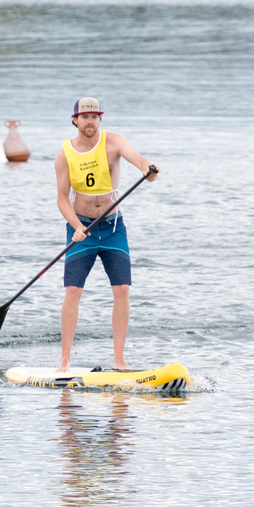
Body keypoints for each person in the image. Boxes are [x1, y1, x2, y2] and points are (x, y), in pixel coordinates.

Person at [54, 97, 159, 372]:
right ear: (75, 120)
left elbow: (139, 160)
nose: (90, 121)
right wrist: (76, 226)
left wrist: (148, 171)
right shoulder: (64, 154)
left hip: (113, 227)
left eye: (95, 116)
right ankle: (65, 360)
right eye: (84, 117)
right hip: (82, 228)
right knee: (73, 291)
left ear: (100, 119)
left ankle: (119, 360)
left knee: (122, 289)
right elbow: (62, 199)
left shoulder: (114, 142)